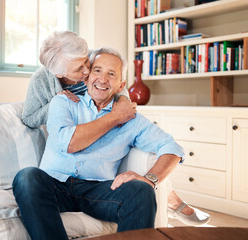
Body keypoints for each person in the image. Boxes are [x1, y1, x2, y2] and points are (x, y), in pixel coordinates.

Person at [13, 47, 185, 240]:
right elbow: (68, 143)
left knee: (142, 190)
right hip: (54, 185)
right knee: (26, 177)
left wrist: (151, 179)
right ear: (86, 77)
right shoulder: (63, 103)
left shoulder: (131, 119)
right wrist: (114, 117)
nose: (102, 79)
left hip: (98, 191)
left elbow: (173, 149)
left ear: (121, 85)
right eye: (97, 71)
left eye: (111, 74)